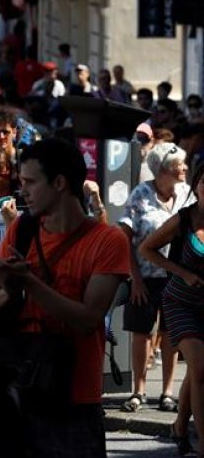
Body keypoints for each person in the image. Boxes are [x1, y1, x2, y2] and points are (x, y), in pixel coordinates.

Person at [0, 138, 129, 457]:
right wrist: (9, 289)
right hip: (15, 392)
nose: (23, 191)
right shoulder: (21, 229)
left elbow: (89, 319)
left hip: (73, 398)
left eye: (30, 182)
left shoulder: (108, 240)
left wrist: (28, 282)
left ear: (59, 183)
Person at [118, 142, 190, 414]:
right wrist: (134, 278)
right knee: (141, 332)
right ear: (162, 170)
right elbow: (125, 237)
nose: (184, 168)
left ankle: (167, 392)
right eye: (178, 165)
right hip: (144, 276)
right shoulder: (140, 194)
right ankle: (138, 390)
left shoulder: (186, 194)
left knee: (171, 333)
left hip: (176, 275)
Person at [138, 162, 204, 456]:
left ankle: (180, 425)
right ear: (197, 186)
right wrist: (182, 272)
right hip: (181, 302)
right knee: (200, 368)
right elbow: (146, 249)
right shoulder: (184, 219)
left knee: (197, 372)